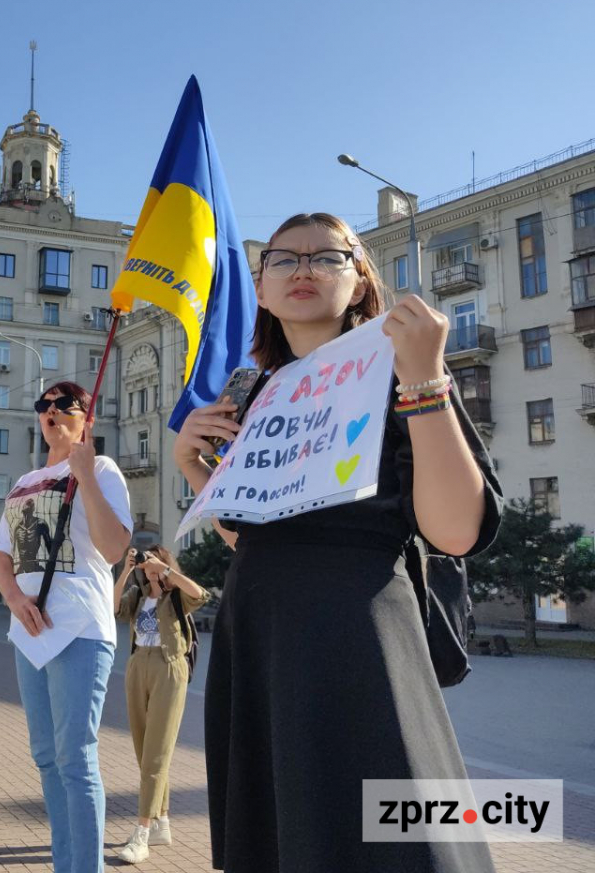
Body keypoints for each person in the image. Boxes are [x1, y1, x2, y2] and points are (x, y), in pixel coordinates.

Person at [175, 212, 502, 872]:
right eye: (282, 259)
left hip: (359, 630)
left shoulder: (397, 364)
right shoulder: (250, 391)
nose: (302, 269)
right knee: (284, 835)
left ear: (359, 283)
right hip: (259, 631)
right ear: (261, 289)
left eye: (327, 257)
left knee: (395, 839)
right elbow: (250, 535)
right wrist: (193, 468)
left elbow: (456, 530)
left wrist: (425, 381)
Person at [0, 381, 132, 873]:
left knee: (75, 758)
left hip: (79, 630)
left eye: (63, 405)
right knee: (47, 758)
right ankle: (65, 863)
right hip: (29, 634)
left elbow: (114, 549)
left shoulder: (104, 470)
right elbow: (1, 557)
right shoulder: (24, 481)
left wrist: (86, 476)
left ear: (84, 419)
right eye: (43, 406)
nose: (50, 412)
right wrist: (12, 600)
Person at [112, 544, 209, 864]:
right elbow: (113, 609)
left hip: (169, 668)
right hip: (137, 666)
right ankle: (161, 821)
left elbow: (201, 593)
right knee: (144, 751)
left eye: (150, 559)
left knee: (156, 753)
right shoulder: (138, 597)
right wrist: (126, 571)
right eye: (144, 560)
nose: (146, 564)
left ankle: (142, 833)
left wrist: (165, 571)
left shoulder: (176, 596)